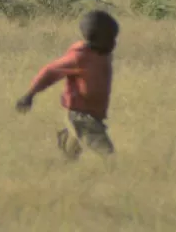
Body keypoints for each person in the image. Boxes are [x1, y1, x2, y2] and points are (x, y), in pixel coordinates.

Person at [15, 9, 119, 160]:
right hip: (82, 115)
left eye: (114, 38)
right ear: (94, 39)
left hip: (94, 115)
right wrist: (30, 94)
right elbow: (50, 71)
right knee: (108, 156)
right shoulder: (79, 57)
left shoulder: (104, 54)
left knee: (69, 157)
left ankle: (66, 141)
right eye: (110, 39)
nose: (114, 42)